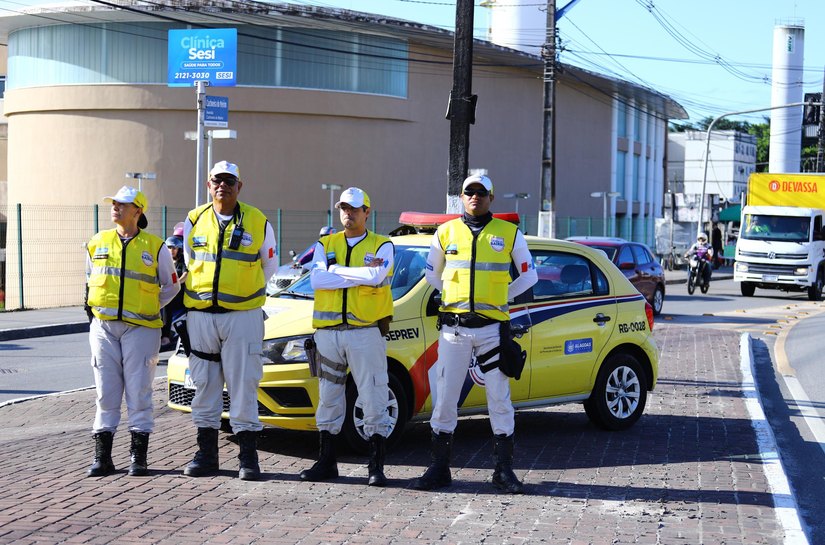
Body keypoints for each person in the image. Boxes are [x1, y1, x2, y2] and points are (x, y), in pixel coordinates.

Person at [412, 174, 537, 494]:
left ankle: (503, 470)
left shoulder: (509, 233)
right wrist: (453, 298)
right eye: (470, 192)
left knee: (499, 398)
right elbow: (430, 273)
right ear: (462, 197)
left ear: (491, 198)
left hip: (492, 330)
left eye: (482, 192)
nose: (475, 197)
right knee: (445, 398)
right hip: (454, 329)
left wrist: (502, 297)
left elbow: (529, 275)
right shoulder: (446, 231)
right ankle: (439, 468)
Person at [181, 161, 279, 481]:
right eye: (216, 180)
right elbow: (189, 261)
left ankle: (248, 458)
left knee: (244, 385)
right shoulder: (195, 219)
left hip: (242, 316)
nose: (222, 185)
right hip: (201, 315)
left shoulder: (257, 220)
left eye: (229, 181)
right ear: (209, 185)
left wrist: (242, 294)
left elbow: (269, 267)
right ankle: (206, 454)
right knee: (205, 386)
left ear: (240, 186)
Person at [299, 187, 395, 487]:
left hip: (365, 332)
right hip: (328, 334)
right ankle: (326, 462)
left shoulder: (383, 244)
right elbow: (316, 279)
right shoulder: (324, 243)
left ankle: (376, 465)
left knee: (373, 395)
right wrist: (356, 272)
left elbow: (377, 276)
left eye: (354, 208)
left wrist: (336, 271)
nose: (348, 213)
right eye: (344, 208)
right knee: (328, 397)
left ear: (367, 211)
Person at [84, 185, 180, 477]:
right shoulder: (97, 242)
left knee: (139, 392)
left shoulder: (156, 246)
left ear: (138, 210)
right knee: (106, 392)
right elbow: (89, 280)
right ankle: (103, 458)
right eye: (113, 203)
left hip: (141, 329)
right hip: (103, 326)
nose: (115, 208)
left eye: (122, 204)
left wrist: (149, 307)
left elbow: (172, 285)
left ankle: (138, 458)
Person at [160, 235, 187, 350]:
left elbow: (186, 275)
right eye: (169, 248)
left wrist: (176, 284)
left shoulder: (183, 262)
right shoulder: (164, 262)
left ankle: (165, 336)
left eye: (174, 248)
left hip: (179, 294)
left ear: (179, 249)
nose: (172, 250)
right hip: (167, 291)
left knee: (167, 305)